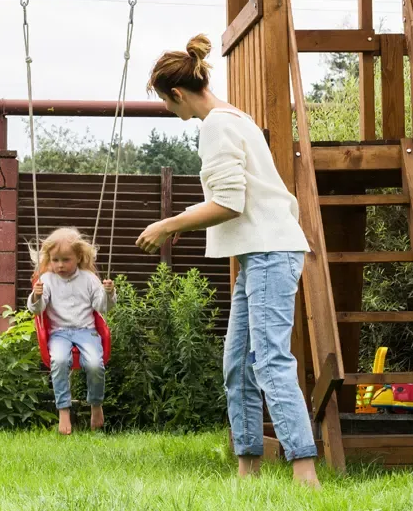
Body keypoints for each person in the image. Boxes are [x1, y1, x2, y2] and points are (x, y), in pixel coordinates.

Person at [136, 34, 321, 488]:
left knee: (270, 360)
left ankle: (305, 474)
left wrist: (170, 224)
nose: (169, 112)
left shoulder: (217, 125)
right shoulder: (236, 116)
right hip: (257, 251)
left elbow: (229, 202)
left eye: (166, 102)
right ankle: (248, 469)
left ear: (177, 93)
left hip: (271, 252)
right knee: (237, 362)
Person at [27, 227, 114, 435]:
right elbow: (37, 311)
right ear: (49, 258)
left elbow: (103, 307)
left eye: (66, 260)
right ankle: (63, 410)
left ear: (78, 257)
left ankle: (95, 405)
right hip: (59, 332)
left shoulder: (88, 278)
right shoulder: (46, 280)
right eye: (55, 260)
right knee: (59, 361)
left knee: (95, 364)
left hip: (86, 330)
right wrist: (37, 296)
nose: (60, 265)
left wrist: (109, 293)